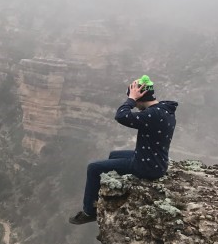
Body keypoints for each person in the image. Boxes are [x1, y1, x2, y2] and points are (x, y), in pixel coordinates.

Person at [69, 75, 178, 225]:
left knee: (93, 168)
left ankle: (89, 211)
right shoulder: (164, 108)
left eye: (134, 98)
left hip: (147, 166)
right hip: (155, 159)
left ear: (140, 97)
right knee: (114, 155)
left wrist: (131, 100)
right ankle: (107, 190)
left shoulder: (152, 115)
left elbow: (121, 116)